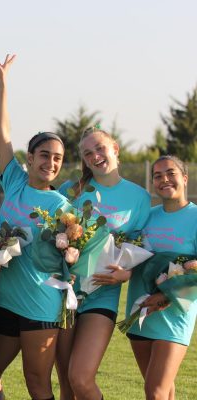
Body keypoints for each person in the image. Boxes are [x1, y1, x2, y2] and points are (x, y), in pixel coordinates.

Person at [0, 54, 69, 400]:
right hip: (5, 300)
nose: (50, 162)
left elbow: (74, 257)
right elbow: (0, 132)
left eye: (57, 158)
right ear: (30, 157)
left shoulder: (62, 208)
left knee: (37, 383)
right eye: (44, 155)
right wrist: (2, 84)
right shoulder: (16, 182)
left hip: (40, 304)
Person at [57, 127, 150, 400]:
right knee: (66, 386)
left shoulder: (139, 197)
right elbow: (55, 236)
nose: (95, 156)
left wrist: (126, 274)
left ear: (115, 149)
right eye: (88, 153)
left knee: (81, 378)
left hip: (103, 295)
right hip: (66, 293)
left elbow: (142, 247)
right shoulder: (70, 190)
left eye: (99, 148)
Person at [105, 156, 196, 399]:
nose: (164, 179)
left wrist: (165, 296)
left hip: (174, 316)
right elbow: (130, 255)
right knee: (164, 392)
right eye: (157, 175)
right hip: (140, 311)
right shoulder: (147, 217)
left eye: (171, 173)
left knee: (154, 391)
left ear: (184, 178)